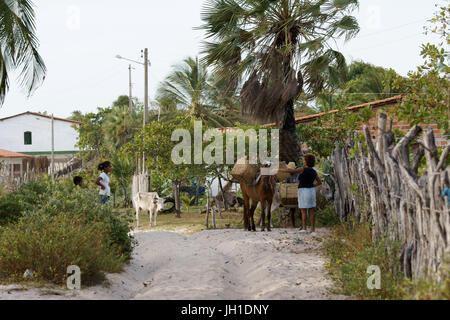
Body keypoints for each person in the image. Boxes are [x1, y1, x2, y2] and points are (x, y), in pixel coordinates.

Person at [278, 154, 322, 239]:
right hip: (311, 191)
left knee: (303, 210)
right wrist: (312, 186)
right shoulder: (314, 171)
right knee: (312, 210)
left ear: (307, 162)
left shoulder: (302, 170)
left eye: (304, 160)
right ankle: (313, 230)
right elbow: (319, 182)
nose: (303, 161)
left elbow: (290, 171)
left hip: (303, 191)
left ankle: (304, 228)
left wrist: (279, 170)